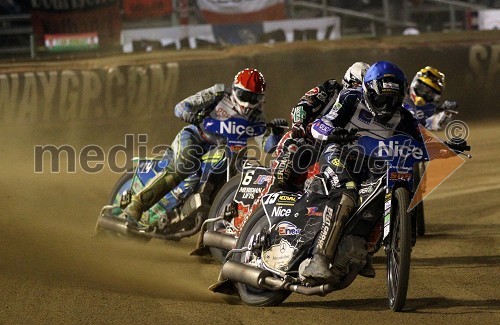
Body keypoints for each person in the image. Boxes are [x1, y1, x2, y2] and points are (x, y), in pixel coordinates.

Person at [301, 61, 423, 284]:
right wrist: (334, 133)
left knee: (379, 194)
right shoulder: (350, 98)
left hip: (374, 164)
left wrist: (449, 146)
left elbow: (421, 139)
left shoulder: (404, 116)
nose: (387, 106)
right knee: (347, 194)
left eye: (393, 100)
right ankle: (318, 259)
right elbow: (321, 124)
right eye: (381, 99)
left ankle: (363, 248)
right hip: (339, 154)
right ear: (368, 91)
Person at [122, 68, 287, 230]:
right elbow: (181, 107)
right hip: (197, 138)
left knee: (245, 179)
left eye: (254, 98)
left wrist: (277, 132)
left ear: (261, 98)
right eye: (245, 95)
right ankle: (137, 205)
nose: (248, 103)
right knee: (184, 164)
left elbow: (268, 146)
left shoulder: (257, 117)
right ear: (235, 89)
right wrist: (188, 114)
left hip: (229, 154)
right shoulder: (218, 94)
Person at [272, 62, 370, 190]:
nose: (359, 91)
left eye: (363, 88)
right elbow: (302, 106)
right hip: (311, 142)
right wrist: (299, 124)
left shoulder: (369, 107)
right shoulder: (330, 89)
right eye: (357, 85)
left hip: (340, 150)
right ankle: (276, 186)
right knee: (291, 154)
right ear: (348, 81)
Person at [406, 66, 458, 131]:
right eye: (422, 90)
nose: (424, 95)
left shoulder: (428, 110)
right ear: (415, 85)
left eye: (430, 94)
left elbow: (435, 123)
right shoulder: (398, 97)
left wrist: (446, 113)